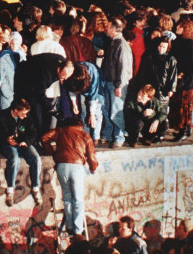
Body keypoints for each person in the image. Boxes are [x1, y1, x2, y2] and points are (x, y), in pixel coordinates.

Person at [41, 116, 98, 237]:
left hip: (61, 166)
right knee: (78, 200)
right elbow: (91, 156)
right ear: (80, 125)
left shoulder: (60, 130)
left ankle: (69, 226)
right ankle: (78, 230)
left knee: (67, 198)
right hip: (76, 167)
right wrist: (93, 167)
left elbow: (44, 137)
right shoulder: (85, 135)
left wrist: (52, 152)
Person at [0, 99, 43, 207]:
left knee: (36, 158)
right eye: (22, 113)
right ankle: (10, 190)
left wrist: (26, 141)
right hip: (7, 144)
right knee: (14, 158)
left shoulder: (27, 118)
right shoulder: (1, 117)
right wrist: (6, 139)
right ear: (15, 111)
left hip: (23, 143)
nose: (25, 116)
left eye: (26, 113)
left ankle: (36, 188)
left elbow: (33, 133)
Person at [101, 17, 134, 149]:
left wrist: (119, 86)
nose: (106, 29)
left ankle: (119, 137)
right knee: (109, 109)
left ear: (114, 29)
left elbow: (124, 67)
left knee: (116, 111)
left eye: (108, 27)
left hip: (117, 84)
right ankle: (109, 134)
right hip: (111, 82)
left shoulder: (121, 45)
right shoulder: (113, 42)